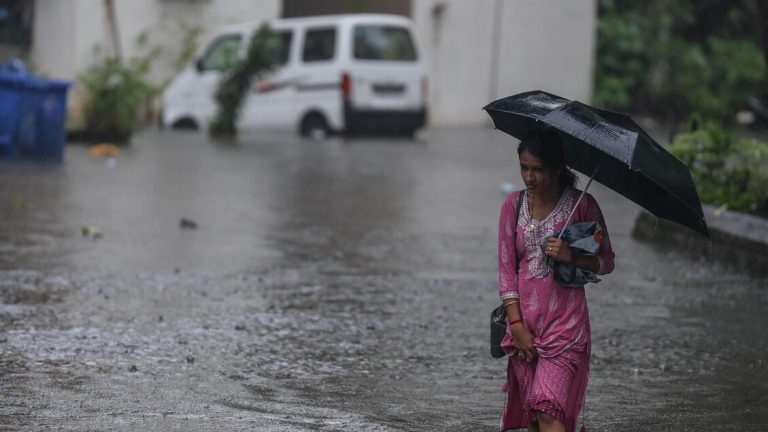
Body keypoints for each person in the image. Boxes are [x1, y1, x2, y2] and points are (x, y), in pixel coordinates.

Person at [497, 129, 615, 432]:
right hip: (524, 327)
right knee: (535, 418)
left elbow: (606, 262)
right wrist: (517, 327)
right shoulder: (512, 205)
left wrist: (571, 255)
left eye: (538, 170)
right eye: (524, 168)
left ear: (558, 168)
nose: (529, 177)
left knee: (548, 411)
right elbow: (506, 271)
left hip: (565, 329)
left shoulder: (582, 207)